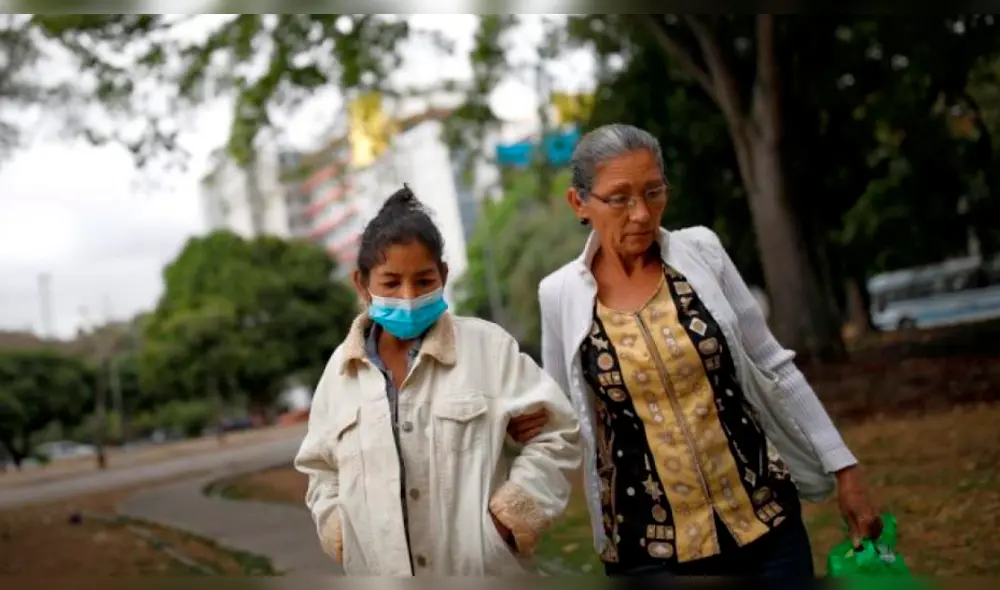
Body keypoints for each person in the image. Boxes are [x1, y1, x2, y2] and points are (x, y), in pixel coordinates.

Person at [536, 124, 882, 578]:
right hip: (651, 550)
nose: (642, 213)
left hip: (765, 522)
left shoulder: (702, 252)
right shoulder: (560, 294)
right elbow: (559, 417)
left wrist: (845, 469)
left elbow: (772, 361)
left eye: (654, 192)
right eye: (620, 198)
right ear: (579, 203)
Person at [294, 185, 581, 576]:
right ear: (362, 285)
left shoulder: (488, 349)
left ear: (443, 275)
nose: (409, 297)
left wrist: (510, 518)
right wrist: (340, 531)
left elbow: (557, 434)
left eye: (424, 281)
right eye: (391, 283)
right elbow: (320, 468)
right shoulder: (340, 373)